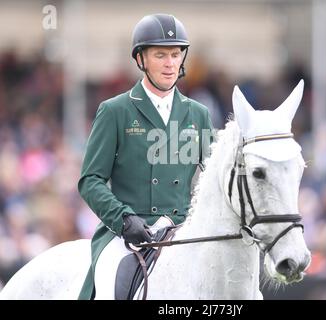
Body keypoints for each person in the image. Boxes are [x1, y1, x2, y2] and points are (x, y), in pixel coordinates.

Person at [78, 13, 215, 299]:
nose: (169, 64)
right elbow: (90, 180)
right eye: (160, 55)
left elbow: (213, 181)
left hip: (183, 232)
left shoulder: (198, 114)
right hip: (126, 233)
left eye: (176, 55)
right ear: (141, 59)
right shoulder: (115, 111)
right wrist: (123, 219)